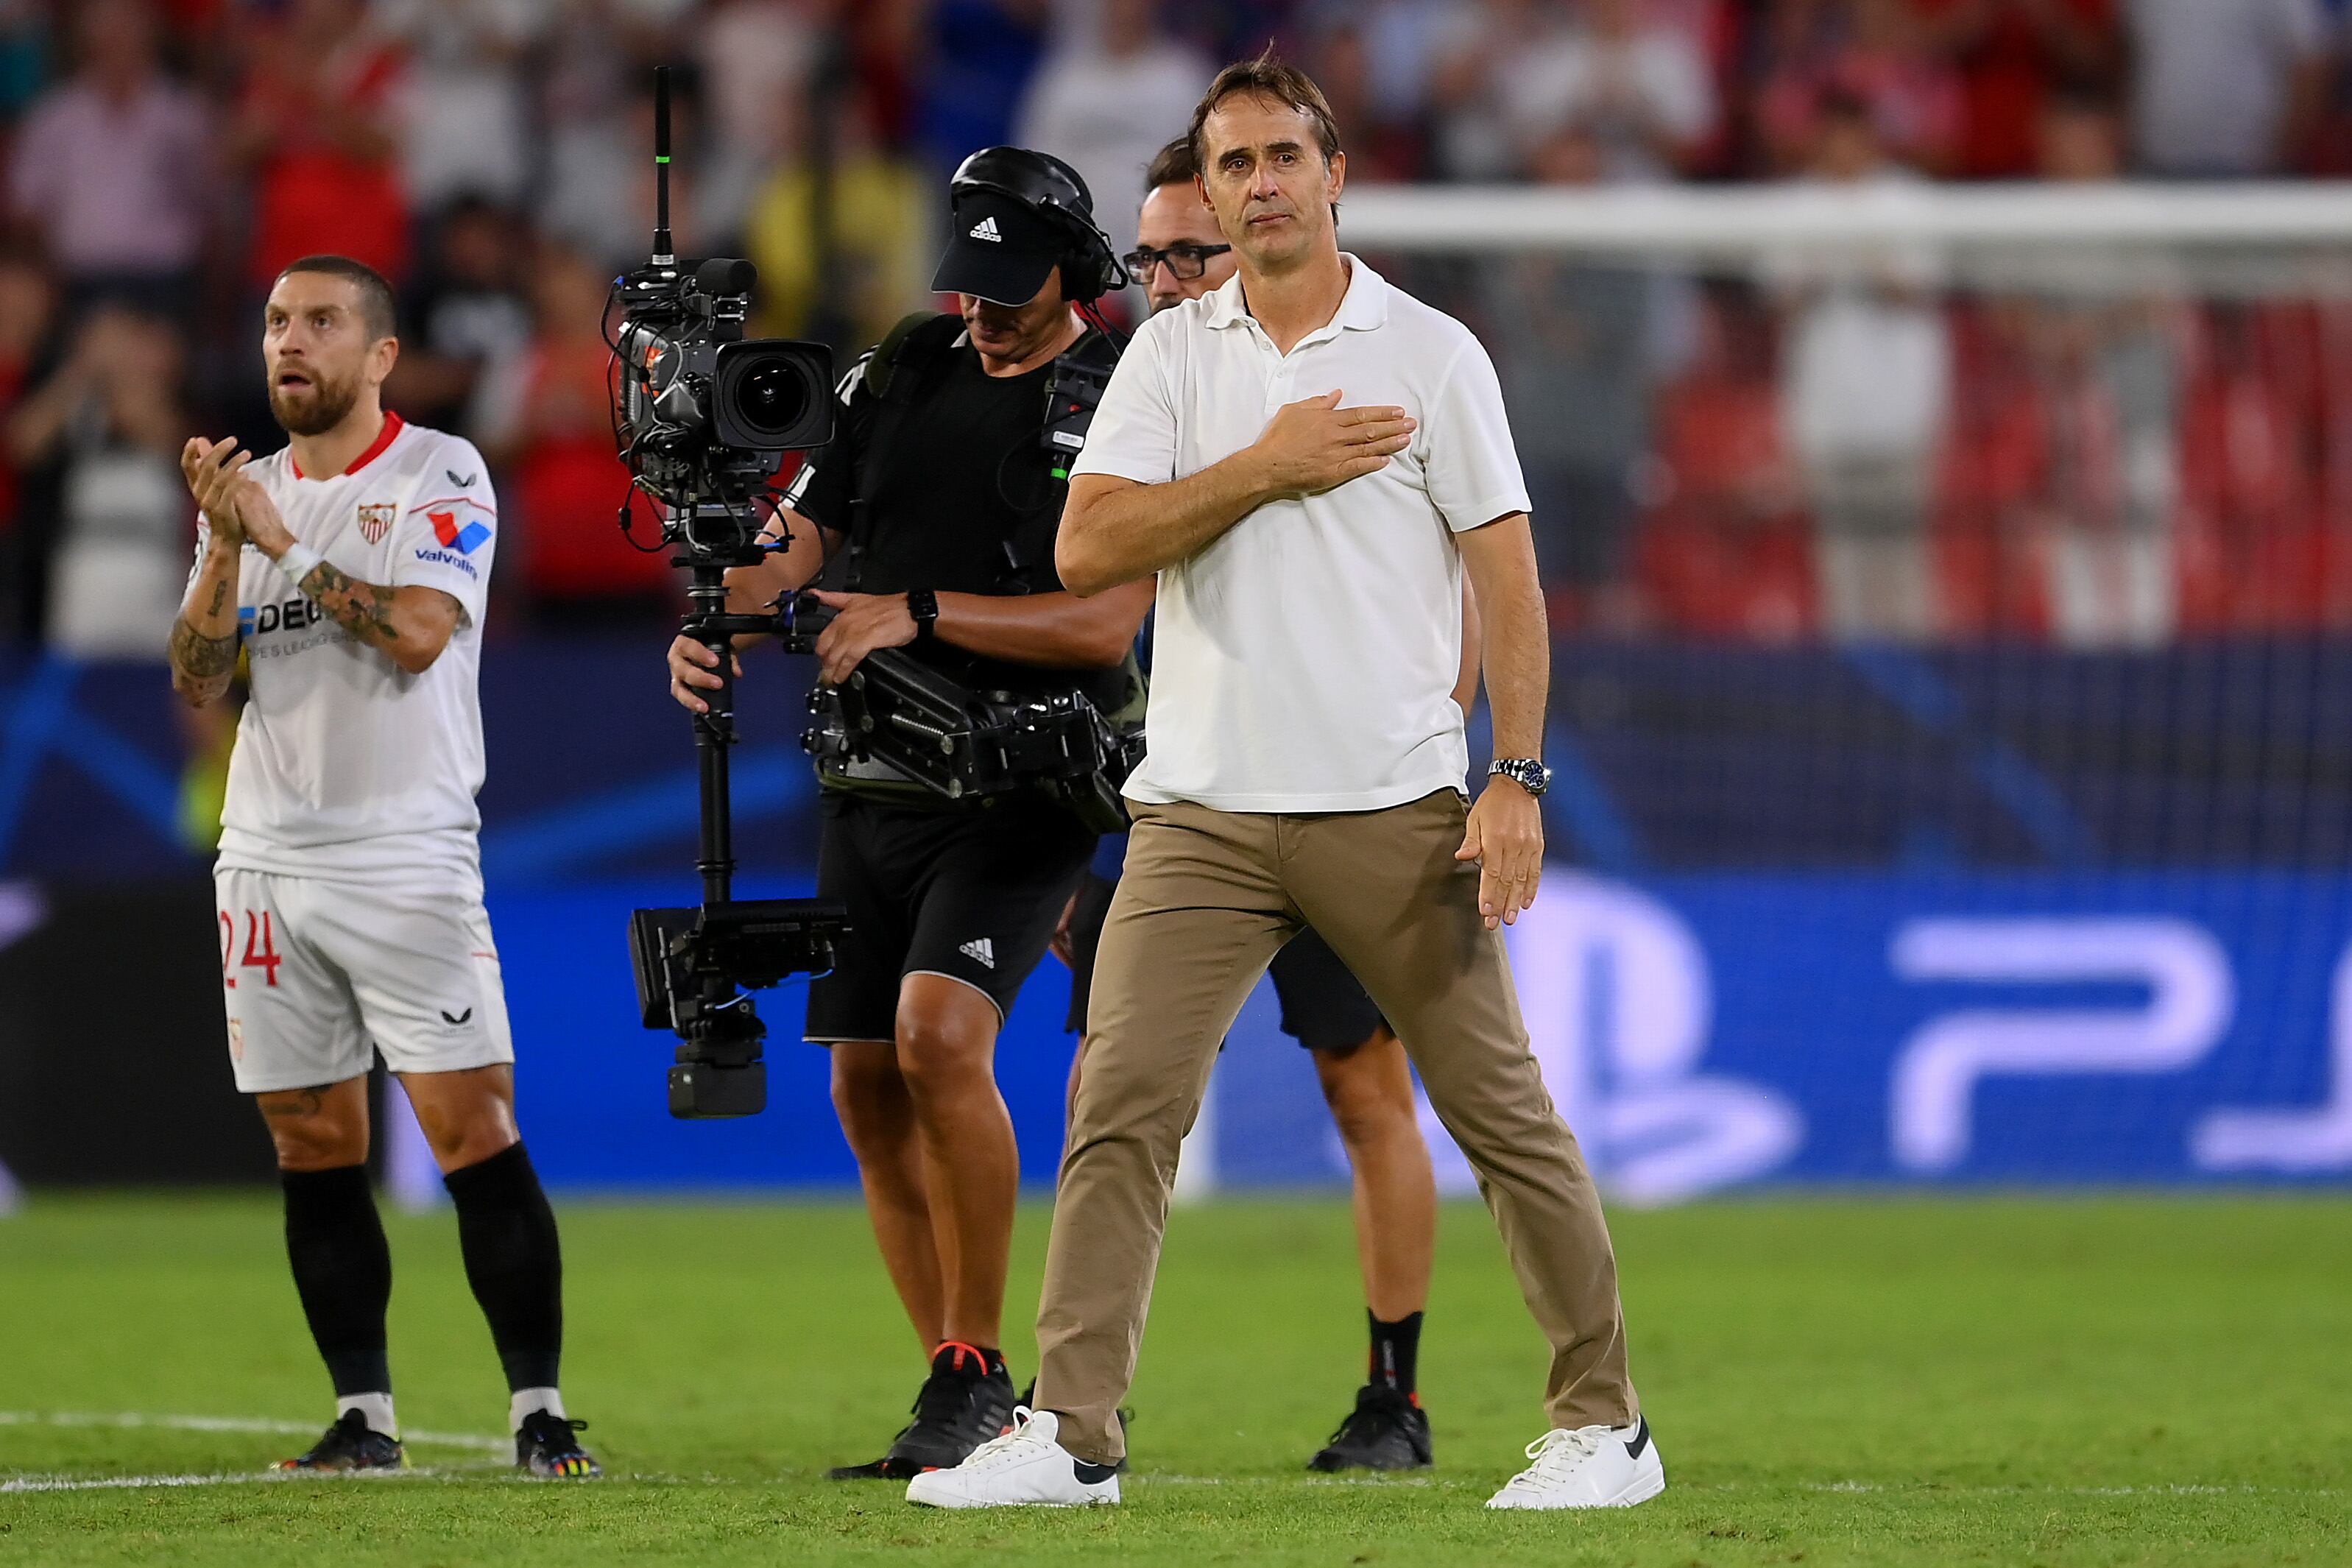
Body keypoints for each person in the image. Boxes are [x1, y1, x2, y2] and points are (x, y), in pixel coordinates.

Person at [909, 53, 1659, 1513]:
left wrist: (1511, 775)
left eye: (1278, 159)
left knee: (1499, 1118)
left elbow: (1507, 576)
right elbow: (1088, 553)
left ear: (1333, 176)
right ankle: (1071, 1436)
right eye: (1231, 163)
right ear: (1212, 187)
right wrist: (1268, 462)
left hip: (1389, 806)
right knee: (1117, 1113)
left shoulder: (1431, 352)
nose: (1257, 184)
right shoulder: (1170, 356)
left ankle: (1603, 1425)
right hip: (1195, 813)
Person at [665, 148, 1154, 1480]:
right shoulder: (902, 368)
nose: (984, 308)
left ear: (1076, 274)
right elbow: (800, 545)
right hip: (874, 778)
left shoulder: (1111, 396)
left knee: (941, 1039)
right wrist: (717, 616)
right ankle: (960, 1377)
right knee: (865, 1082)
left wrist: (917, 612)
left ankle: (981, 1360)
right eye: (971, 283)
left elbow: (1109, 619)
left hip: (1023, 783)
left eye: (1013, 285)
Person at [165, 255, 600, 1480]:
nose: (288, 342)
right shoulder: (242, 494)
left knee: (472, 1124)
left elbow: (416, 634)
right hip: (263, 855)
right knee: (310, 1136)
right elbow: (200, 681)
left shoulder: (439, 471)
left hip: (404, 849)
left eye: (320, 321)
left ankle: (538, 1410)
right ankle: (365, 1415)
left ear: (381, 354)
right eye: (272, 324)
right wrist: (217, 547)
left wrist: (284, 551)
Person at [1050, 134, 1447, 1474]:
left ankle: (1394, 1393)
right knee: (1109, 1089)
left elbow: (1455, 584)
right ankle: (1075, 1410)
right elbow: (1090, 597)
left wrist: (1440, 755)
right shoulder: (1134, 396)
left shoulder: (1360, 383)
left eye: (1189, 252)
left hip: (1343, 788)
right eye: (1148, 255)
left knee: (1365, 1085)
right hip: (1175, 795)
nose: (1162, 279)